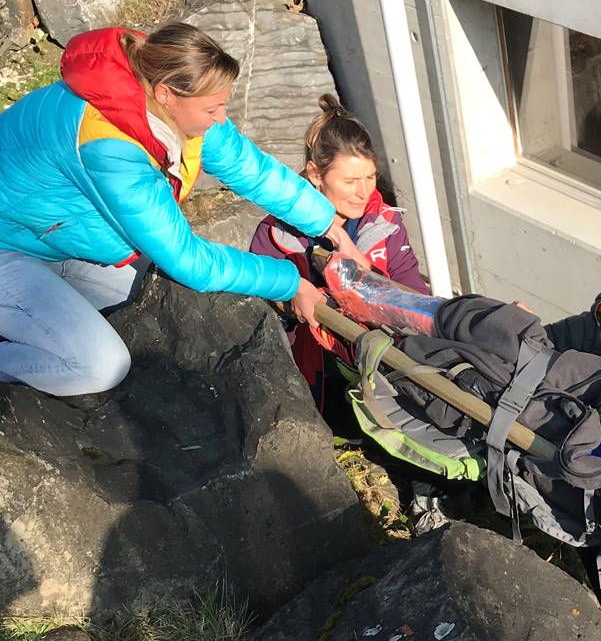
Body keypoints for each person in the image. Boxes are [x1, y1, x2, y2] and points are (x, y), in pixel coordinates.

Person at [0, 23, 358, 396]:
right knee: (99, 366)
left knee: (138, 293)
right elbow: (190, 261)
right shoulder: (108, 146)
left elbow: (246, 166)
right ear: (166, 94)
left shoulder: (163, 101)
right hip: (8, 249)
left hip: (43, 238)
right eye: (212, 108)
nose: (220, 117)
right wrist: (291, 284)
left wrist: (330, 226)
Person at [250, 93, 427, 405]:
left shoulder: (385, 225)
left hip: (381, 371)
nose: (363, 192)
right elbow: (263, 315)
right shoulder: (276, 232)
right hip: (309, 377)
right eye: (350, 181)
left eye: (370, 177)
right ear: (316, 175)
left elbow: (412, 295)